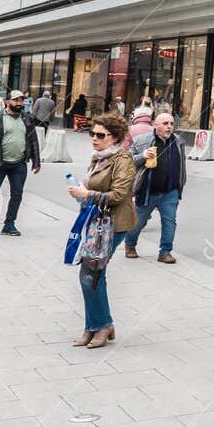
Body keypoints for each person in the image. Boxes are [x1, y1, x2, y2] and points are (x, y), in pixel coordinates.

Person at [67, 114, 137, 348]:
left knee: (90, 274)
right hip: (96, 221)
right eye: (92, 134)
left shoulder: (123, 160)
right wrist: (82, 191)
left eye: (100, 135)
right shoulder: (99, 158)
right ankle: (95, 327)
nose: (94, 139)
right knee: (94, 274)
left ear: (114, 137)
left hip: (114, 223)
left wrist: (87, 195)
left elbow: (118, 195)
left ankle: (102, 326)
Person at [123, 111, 186, 264]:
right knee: (138, 222)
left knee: (170, 222)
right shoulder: (142, 140)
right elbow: (126, 161)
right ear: (155, 125)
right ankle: (130, 245)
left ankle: (165, 252)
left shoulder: (178, 141)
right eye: (165, 123)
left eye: (171, 123)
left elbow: (182, 165)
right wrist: (142, 156)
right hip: (147, 191)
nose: (169, 127)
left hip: (170, 191)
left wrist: (180, 187)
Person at [0, 90, 41, 236]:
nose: (19, 104)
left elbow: (33, 141)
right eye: (15, 100)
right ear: (7, 102)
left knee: (17, 194)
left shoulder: (28, 118)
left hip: (19, 163)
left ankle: (9, 224)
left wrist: (36, 161)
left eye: (21, 101)